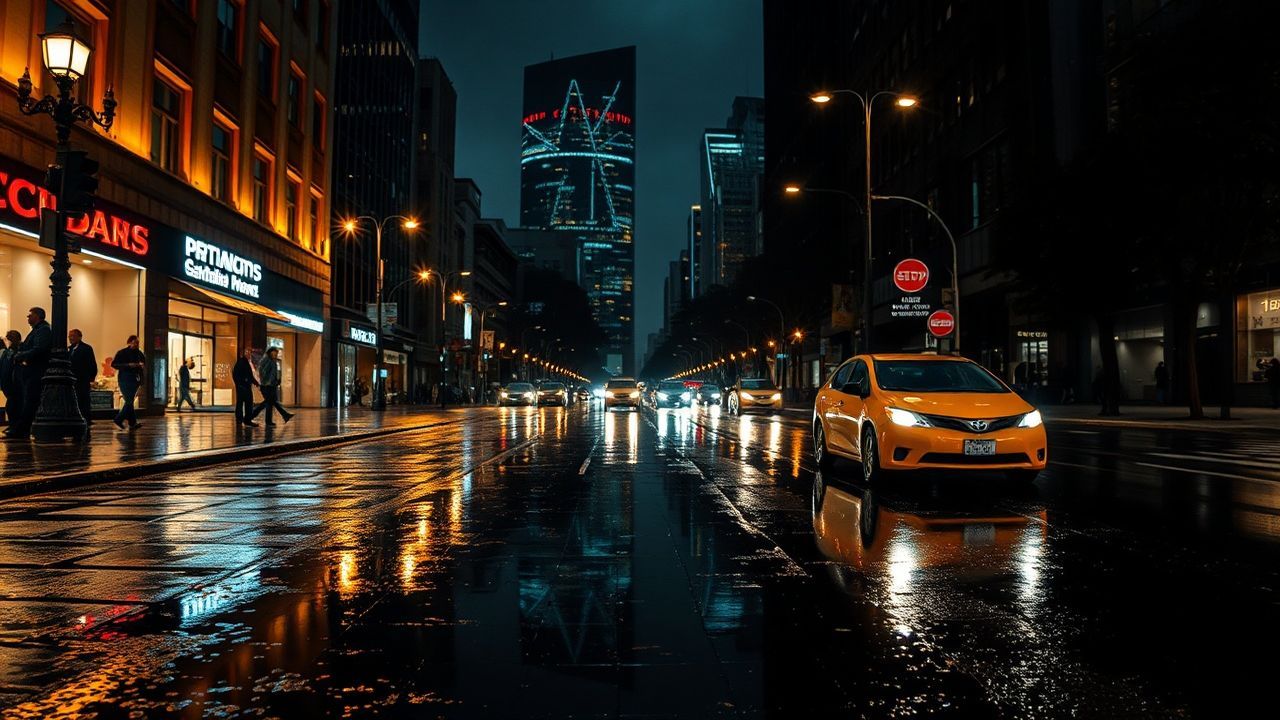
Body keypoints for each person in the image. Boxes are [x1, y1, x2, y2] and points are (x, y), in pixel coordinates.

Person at [6, 308, 53, 439]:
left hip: (36, 370)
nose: (28, 317)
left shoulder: (43, 330)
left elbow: (39, 349)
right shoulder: (37, 330)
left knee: (31, 401)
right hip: (31, 371)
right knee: (28, 400)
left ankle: (22, 430)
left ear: (37, 316)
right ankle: (22, 429)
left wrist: (21, 355)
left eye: (30, 315)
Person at [250, 347, 293, 426]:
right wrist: (268, 381)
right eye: (274, 353)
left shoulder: (272, 361)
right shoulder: (267, 360)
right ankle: (253, 416)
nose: (276, 354)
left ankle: (280, 416)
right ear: (270, 352)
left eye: (276, 353)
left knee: (270, 402)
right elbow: (263, 372)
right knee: (269, 402)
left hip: (271, 385)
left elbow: (272, 373)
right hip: (267, 385)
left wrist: (276, 380)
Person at [111, 335, 145, 430]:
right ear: (129, 342)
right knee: (129, 401)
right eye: (134, 342)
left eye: (137, 343)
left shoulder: (139, 353)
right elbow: (114, 364)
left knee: (129, 401)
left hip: (135, 380)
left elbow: (143, 364)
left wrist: (141, 367)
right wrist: (128, 365)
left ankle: (132, 423)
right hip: (124, 379)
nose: (135, 344)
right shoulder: (122, 353)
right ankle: (119, 419)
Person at [68, 329, 97, 425]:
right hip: (72, 380)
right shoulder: (69, 349)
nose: (71, 338)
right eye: (69, 336)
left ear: (79, 337)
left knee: (83, 399)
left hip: (82, 379)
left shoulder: (86, 348)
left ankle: (86, 418)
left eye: (73, 336)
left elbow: (92, 364)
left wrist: (91, 378)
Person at [232, 347, 259, 427]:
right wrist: (243, 382)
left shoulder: (244, 362)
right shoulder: (242, 362)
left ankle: (241, 419)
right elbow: (238, 375)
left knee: (243, 403)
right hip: (243, 386)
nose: (250, 354)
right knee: (246, 403)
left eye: (250, 353)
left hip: (243, 386)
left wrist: (254, 382)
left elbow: (248, 375)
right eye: (248, 353)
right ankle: (245, 420)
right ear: (244, 353)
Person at [0, 331, 22, 428]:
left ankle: (15, 426)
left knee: (13, 406)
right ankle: (13, 425)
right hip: (7, 383)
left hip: (15, 383)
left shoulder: (19, 351)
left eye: (9, 338)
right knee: (11, 406)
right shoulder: (7, 352)